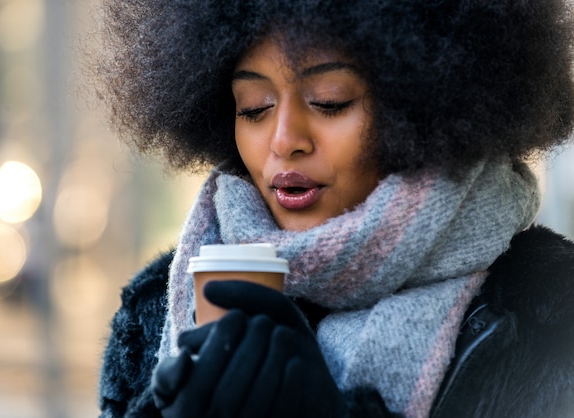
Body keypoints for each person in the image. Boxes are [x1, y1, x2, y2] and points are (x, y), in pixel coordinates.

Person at [92, 1, 574, 417]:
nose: (283, 141)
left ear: (425, 107)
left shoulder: (553, 309)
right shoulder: (153, 307)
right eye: (255, 107)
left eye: (329, 101)